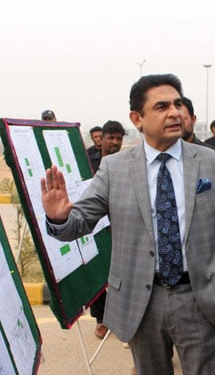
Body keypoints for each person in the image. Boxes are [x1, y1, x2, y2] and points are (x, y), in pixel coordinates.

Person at [41, 74, 215, 374]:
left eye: (177, 104)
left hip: (202, 298)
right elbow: (80, 222)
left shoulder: (212, 162)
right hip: (141, 301)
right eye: (161, 106)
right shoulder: (115, 168)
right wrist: (58, 217)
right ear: (137, 118)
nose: (175, 112)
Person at [88, 120, 126, 339]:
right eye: (111, 138)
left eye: (119, 139)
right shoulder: (87, 161)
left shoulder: (125, 164)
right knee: (98, 276)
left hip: (118, 229)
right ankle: (101, 320)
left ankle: (124, 320)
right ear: (100, 139)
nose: (115, 143)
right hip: (93, 228)